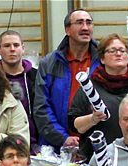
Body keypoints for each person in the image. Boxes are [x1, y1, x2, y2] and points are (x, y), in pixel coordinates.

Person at [68, 33, 128, 160]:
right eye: (112, 50)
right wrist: (93, 119)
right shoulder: (89, 86)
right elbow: (74, 124)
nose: (118, 54)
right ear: (102, 58)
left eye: (122, 50)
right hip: (98, 158)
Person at [33, 8, 101, 149]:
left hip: (96, 141)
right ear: (67, 30)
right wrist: (63, 138)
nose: (85, 27)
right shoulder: (48, 63)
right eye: (79, 23)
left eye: (89, 23)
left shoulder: (103, 60)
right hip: (58, 145)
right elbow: (42, 107)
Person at [0, 31, 39, 152]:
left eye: (16, 45)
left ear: (23, 48)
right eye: (6, 46)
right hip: (3, 144)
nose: (12, 49)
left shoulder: (36, 76)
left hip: (35, 145)